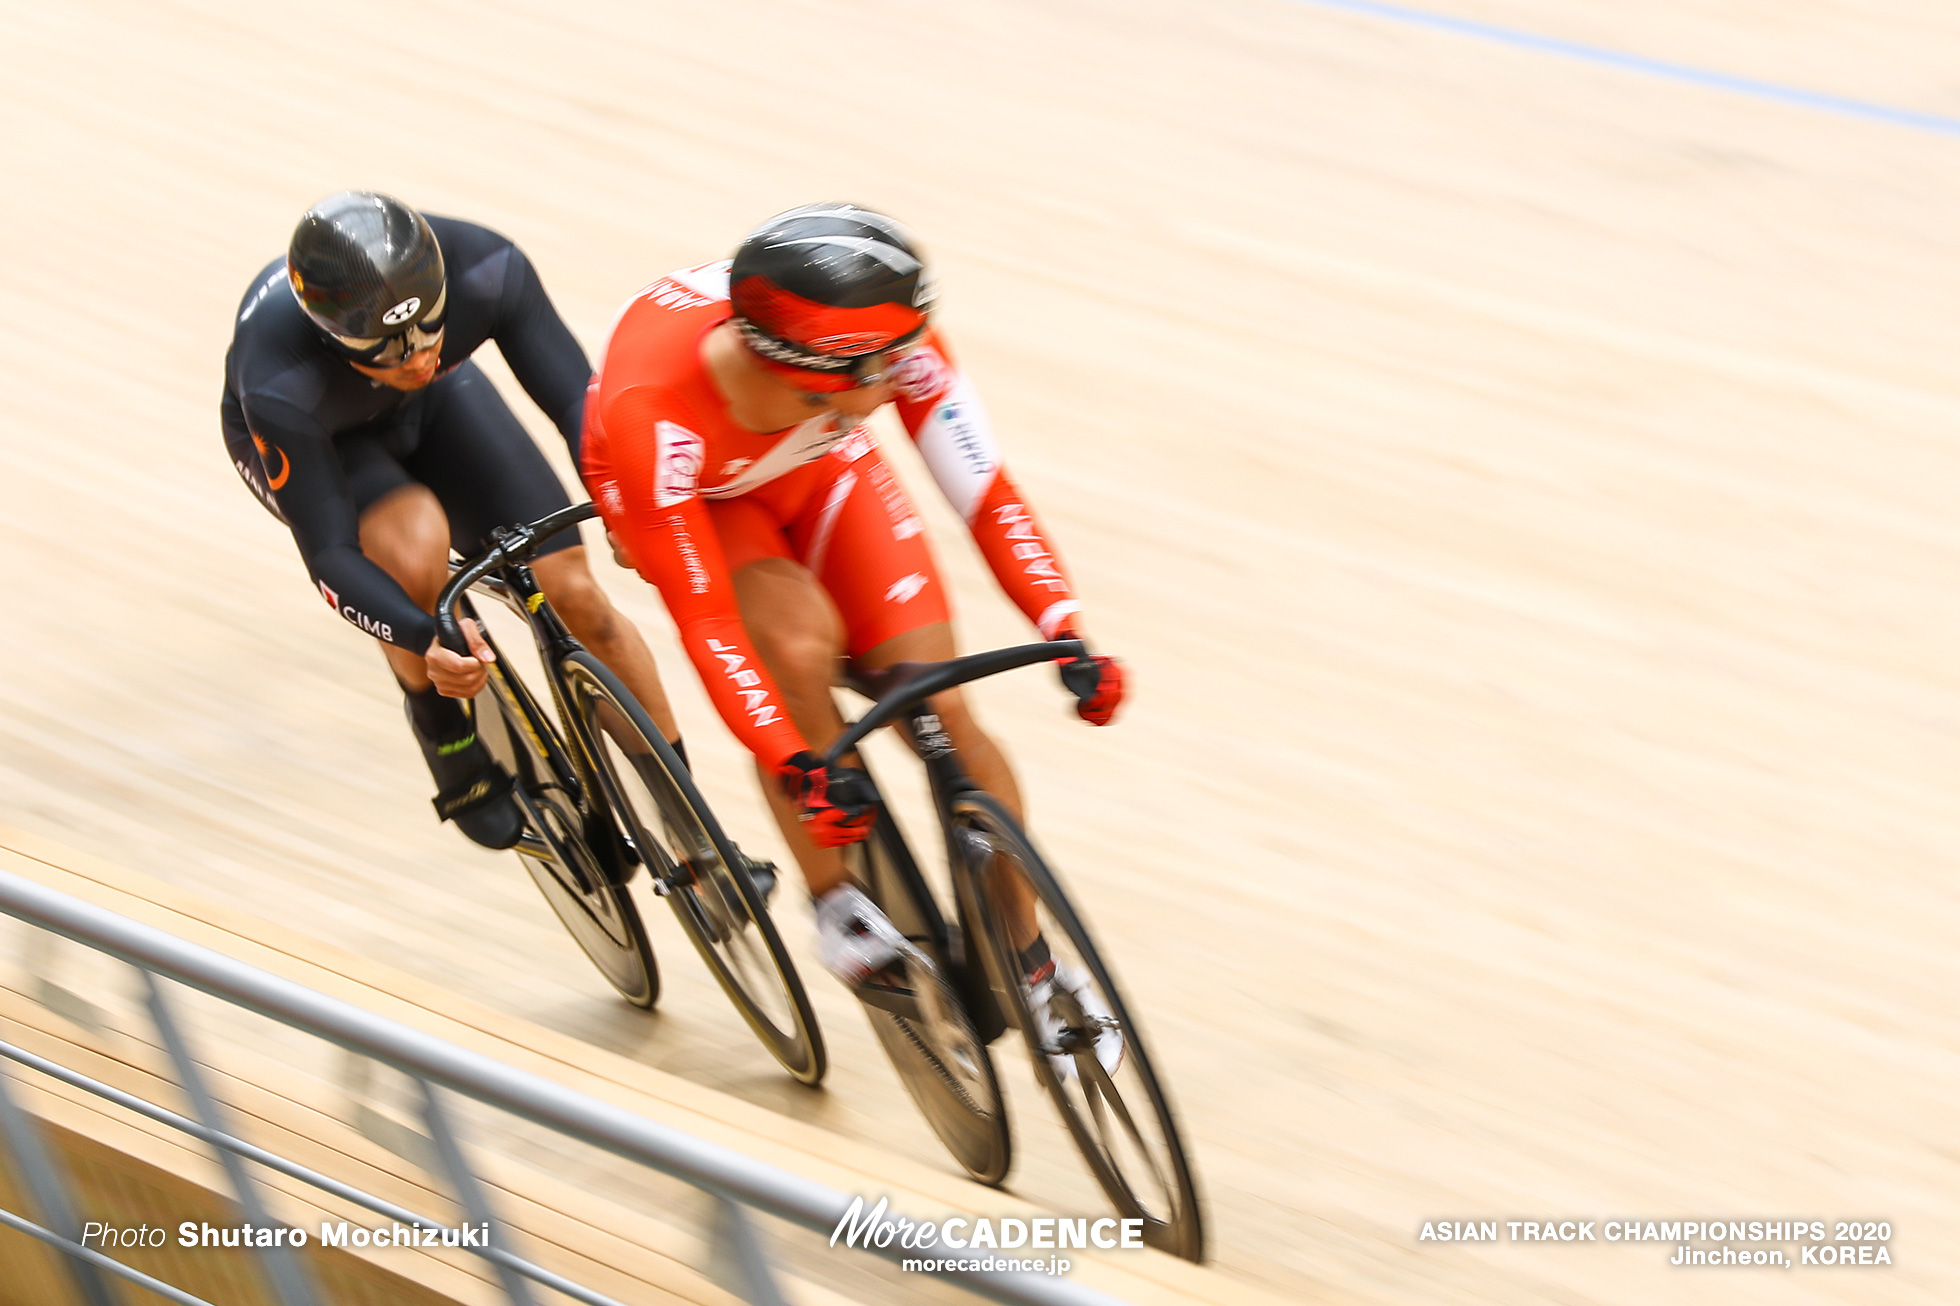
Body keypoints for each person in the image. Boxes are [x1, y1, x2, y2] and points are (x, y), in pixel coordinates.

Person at [581, 202, 1126, 1071]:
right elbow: (709, 626)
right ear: (825, 376)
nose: (917, 365)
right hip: (694, 493)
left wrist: (1066, 627)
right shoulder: (658, 414)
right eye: (894, 361)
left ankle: (1029, 959)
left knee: (938, 703)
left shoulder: (867, 357)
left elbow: (986, 495)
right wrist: (799, 765)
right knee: (790, 651)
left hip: (817, 460)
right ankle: (837, 903)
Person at [223, 190, 682, 849]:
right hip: (330, 447)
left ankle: (679, 808)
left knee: (578, 594)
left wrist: (618, 500)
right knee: (415, 549)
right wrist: (423, 636)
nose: (414, 356)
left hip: (438, 406)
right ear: (331, 337)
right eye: (385, 347)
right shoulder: (277, 382)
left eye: (426, 329)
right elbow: (330, 557)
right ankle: (447, 737)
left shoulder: (484, 268)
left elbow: (576, 402)